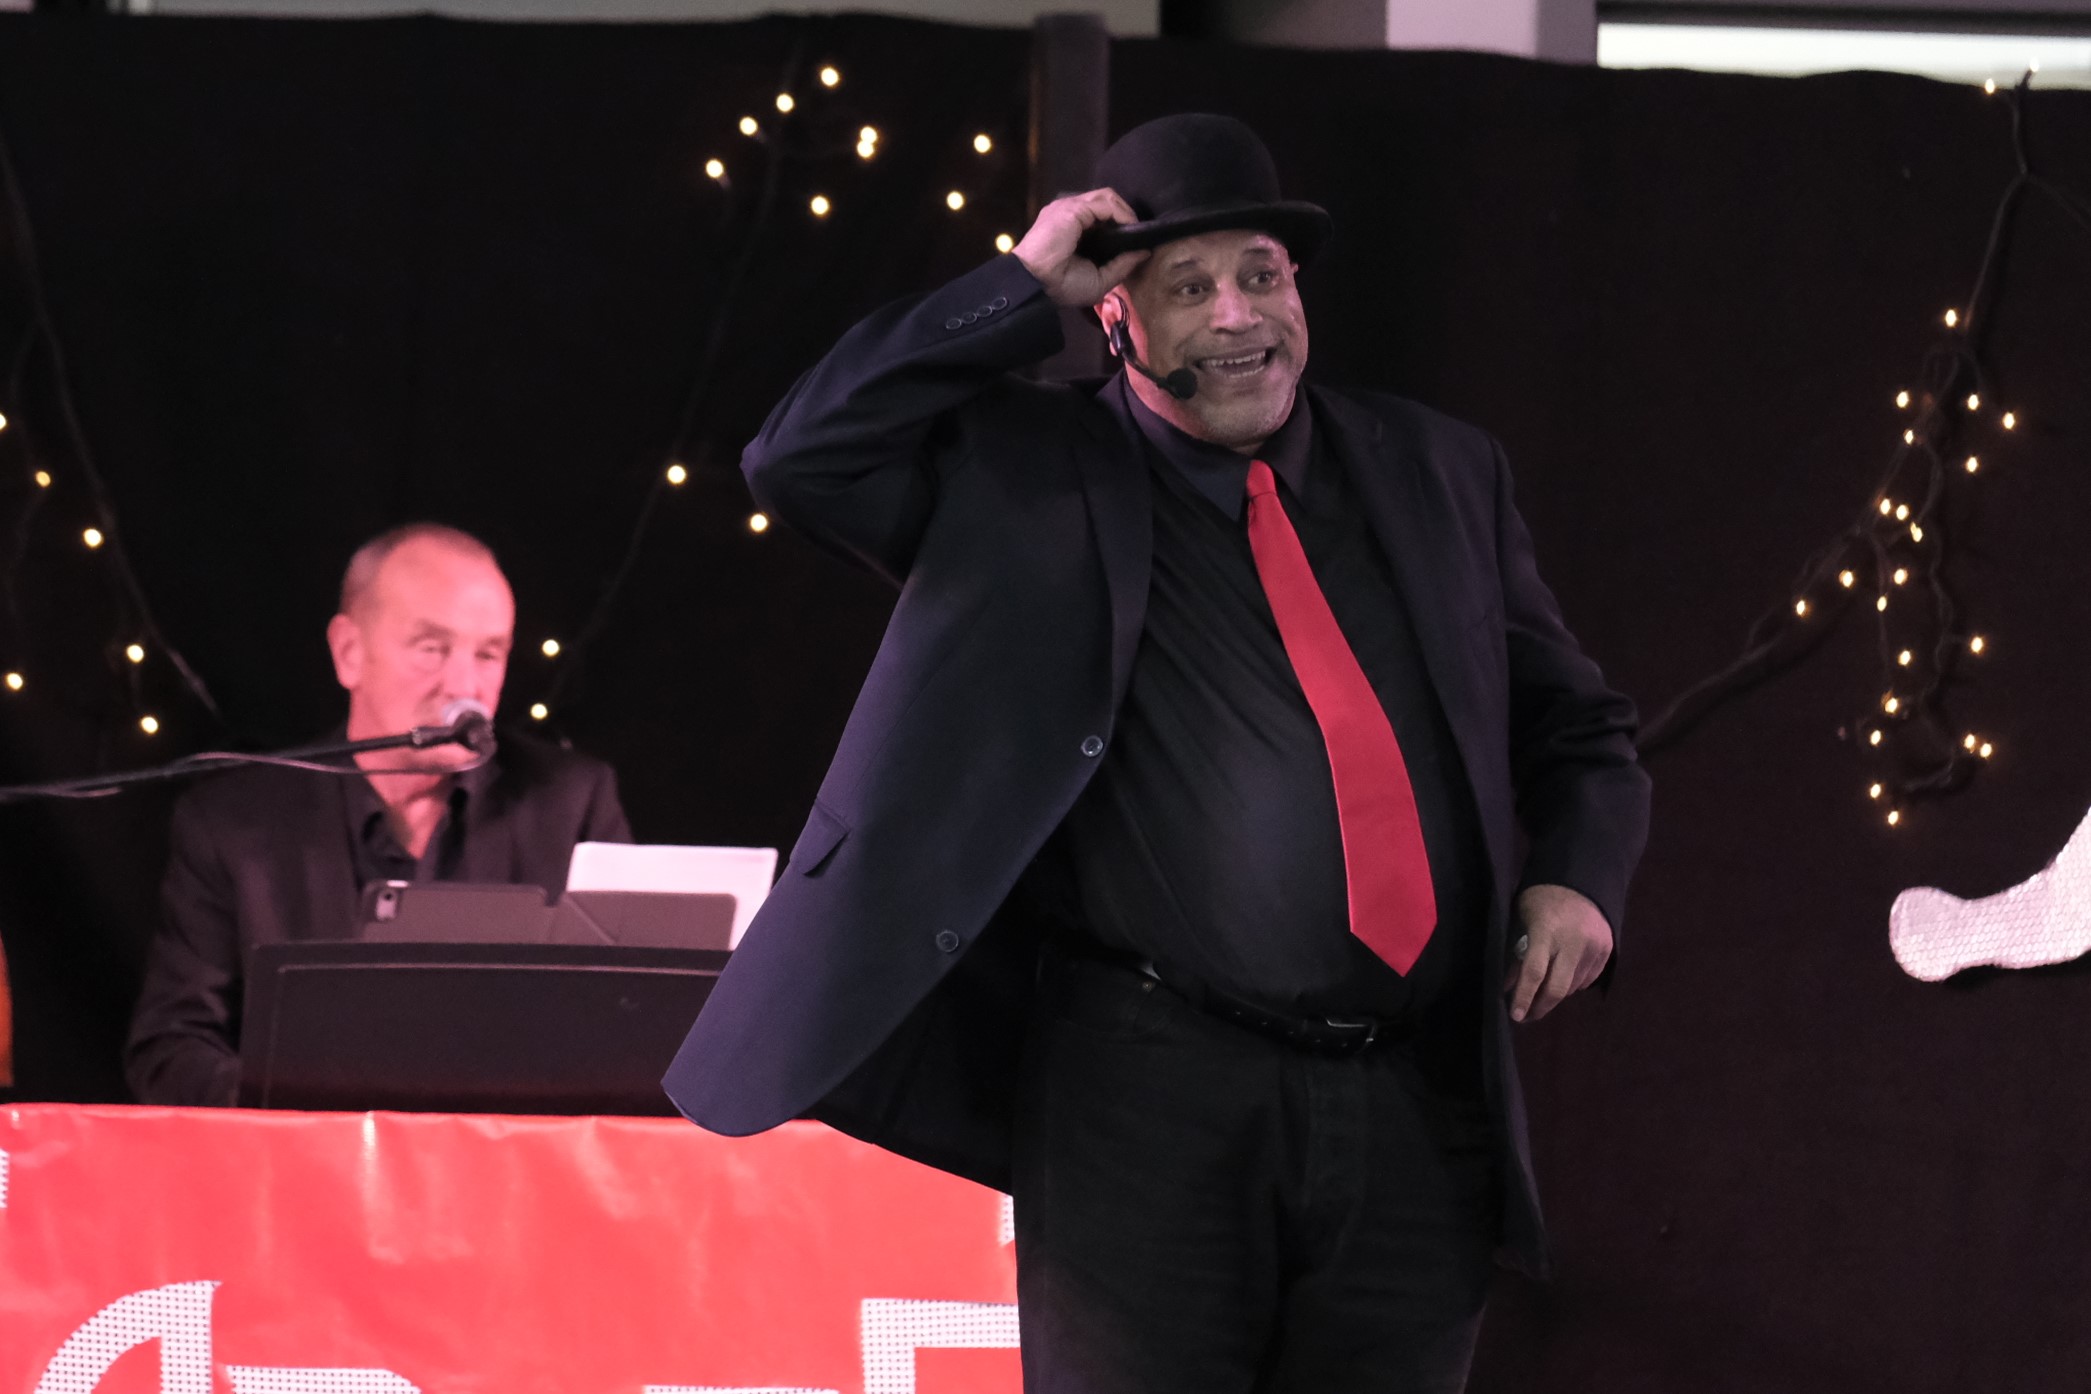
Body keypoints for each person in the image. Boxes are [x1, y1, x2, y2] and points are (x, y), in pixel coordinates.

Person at [664, 114, 1650, 1392]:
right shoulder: (1022, 468)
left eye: (1262, 275)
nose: (1238, 313)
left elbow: (1579, 724)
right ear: (1116, 317)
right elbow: (799, 456)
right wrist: (1019, 288)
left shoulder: (1440, 468)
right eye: (1187, 286)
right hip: (1147, 1094)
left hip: (1414, 1100)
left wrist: (1579, 877)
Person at [126, 523, 631, 1107]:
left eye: (488, 654)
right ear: (349, 653)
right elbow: (171, 1049)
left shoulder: (572, 803)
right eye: (432, 648)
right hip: (308, 1159)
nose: (464, 685)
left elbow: (622, 1022)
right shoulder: (233, 823)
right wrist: (306, 1115)